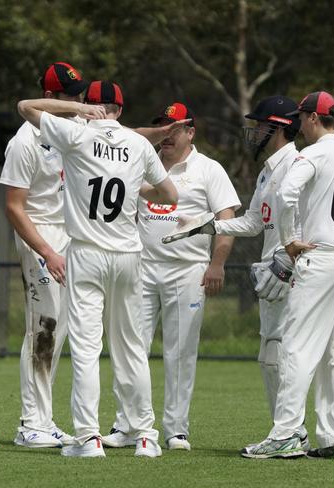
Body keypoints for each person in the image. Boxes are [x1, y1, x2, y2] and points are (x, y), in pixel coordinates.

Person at [18, 81, 181, 458]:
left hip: (87, 253)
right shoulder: (138, 144)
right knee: (131, 348)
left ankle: (89, 438)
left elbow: (25, 106)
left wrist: (73, 113)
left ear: (88, 106)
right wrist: (141, 191)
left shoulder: (75, 134)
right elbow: (171, 195)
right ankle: (146, 437)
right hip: (128, 255)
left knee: (88, 349)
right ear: (120, 111)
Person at [241, 91, 334, 460]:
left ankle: (286, 433)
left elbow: (288, 193)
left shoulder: (315, 153)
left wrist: (289, 242)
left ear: (315, 119)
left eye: (302, 118)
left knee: (296, 347)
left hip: (319, 259)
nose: (299, 124)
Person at [101, 102, 240, 451]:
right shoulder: (141, 162)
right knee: (131, 348)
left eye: (174, 128)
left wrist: (217, 263)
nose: (166, 134)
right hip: (141, 268)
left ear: (190, 132)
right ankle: (127, 425)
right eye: (162, 126)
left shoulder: (208, 170)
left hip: (188, 270)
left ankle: (176, 429)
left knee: (180, 352)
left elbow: (226, 219)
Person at [177, 96, 310, 449]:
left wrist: (288, 257)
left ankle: (290, 433)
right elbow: (253, 222)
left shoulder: (299, 164)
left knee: (282, 355)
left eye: (260, 126)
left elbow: (306, 219)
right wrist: (205, 225)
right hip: (274, 270)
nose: (253, 132)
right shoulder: (269, 169)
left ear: (279, 128)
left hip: (291, 273)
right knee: (270, 356)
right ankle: (289, 431)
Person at [0, 62, 88, 449]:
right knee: (43, 328)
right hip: (41, 238)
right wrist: (47, 251)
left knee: (60, 330)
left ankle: (44, 419)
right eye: (69, 97)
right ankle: (29, 423)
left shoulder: (73, 131)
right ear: (49, 98)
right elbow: (14, 207)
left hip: (69, 238)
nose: (78, 103)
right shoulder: (24, 141)